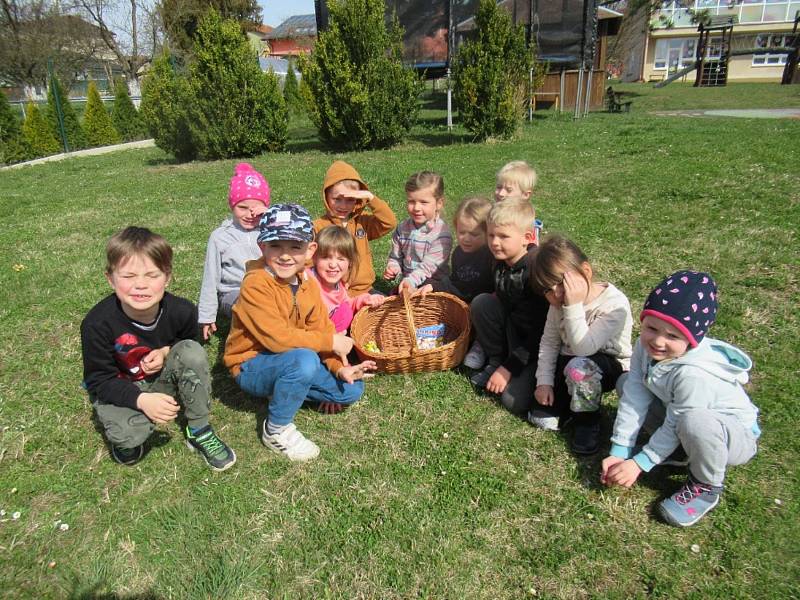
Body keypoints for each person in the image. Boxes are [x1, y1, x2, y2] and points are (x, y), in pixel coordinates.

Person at [601, 270, 760, 527]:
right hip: (683, 416)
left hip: (731, 436)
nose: (658, 341)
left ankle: (706, 485)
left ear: (692, 340)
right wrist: (620, 449)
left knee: (694, 422)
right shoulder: (645, 347)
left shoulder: (693, 375)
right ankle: (677, 451)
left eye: (673, 336)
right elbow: (634, 396)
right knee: (625, 383)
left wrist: (640, 463)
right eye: (651, 327)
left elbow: (678, 421)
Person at [224, 204, 377, 461]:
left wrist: (339, 368)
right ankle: (276, 429)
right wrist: (330, 341)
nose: (285, 255)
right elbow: (277, 338)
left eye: (295, 247)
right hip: (251, 364)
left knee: (351, 390)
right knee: (305, 360)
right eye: (276, 245)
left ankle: (285, 388)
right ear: (262, 247)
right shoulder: (256, 283)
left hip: (293, 356)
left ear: (310, 250)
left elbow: (321, 327)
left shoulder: (307, 284)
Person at [81, 226, 236, 470]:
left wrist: (166, 353)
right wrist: (142, 400)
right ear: (110, 279)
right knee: (128, 437)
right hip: (123, 388)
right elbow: (99, 380)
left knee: (192, 351)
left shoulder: (182, 310)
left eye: (152, 275)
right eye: (128, 276)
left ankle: (199, 429)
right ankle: (131, 430)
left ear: (167, 277)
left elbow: (190, 342)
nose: (140, 285)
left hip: (162, 379)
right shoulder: (96, 323)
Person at [530, 235, 633, 455]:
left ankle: (587, 422)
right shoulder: (557, 304)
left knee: (580, 368)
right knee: (539, 414)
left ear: (585, 271)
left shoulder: (615, 305)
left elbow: (584, 348)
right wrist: (544, 383)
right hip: (569, 361)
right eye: (547, 290)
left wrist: (573, 306)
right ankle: (568, 404)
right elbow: (549, 343)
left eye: (561, 283)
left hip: (606, 364)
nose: (556, 293)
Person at [468, 199, 549, 417]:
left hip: (538, 347)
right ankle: (494, 360)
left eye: (503, 236)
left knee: (513, 401)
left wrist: (509, 368)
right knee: (482, 303)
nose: (495, 242)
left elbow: (540, 334)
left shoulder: (535, 273)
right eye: (492, 235)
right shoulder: (500, 260)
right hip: (513, 331)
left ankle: (513, 370)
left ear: (528, 238)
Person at [198, 162, 270, 340]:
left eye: (256, 209)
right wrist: (207, 315)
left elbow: (292, 231)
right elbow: (210, 277)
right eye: (242, 208)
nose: (249, 214)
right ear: (232, 206)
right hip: (234, 292)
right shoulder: (220, 237)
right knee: (251, 305)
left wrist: (270, 216)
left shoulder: (269, 230)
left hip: (267, 287)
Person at [315, 160, 397, 296]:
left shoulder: (362, 222)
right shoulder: (319, 225)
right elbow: (308, 261)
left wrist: (371, 198)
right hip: (334, 293)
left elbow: (389, 222)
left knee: (391, 313)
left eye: (350, 199)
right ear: (326, 197)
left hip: (366, 290)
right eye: (337, 199)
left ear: (358, 200)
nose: (343, 205)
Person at [383, 171, 452, 293]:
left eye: (424, 202)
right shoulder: (402, 228)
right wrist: (393, 268)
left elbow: (427, 268)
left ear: (439, 203)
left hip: (433, 288)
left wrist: (410, 282)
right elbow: (396, 257)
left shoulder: (441, 235)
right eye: (411, 201)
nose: (416, 208)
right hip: (408, 284)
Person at [417, 195, 494, 304]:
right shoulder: (458, 253)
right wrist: (434, 285)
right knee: (424, 283)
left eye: (474, 234)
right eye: (462, 232)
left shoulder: (490, 255)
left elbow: (474, 287)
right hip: (461, 301)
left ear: (488, 233)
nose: (466, 239)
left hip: (481, 306)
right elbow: (455, 280)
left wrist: (439, 287)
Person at [311, 225, 386, 334]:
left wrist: (365, 299)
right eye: (326, 257)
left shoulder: (339, 287)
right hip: (310, 337)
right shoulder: (308, 280)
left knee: (346, 312)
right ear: (314, 257)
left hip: (332, 335)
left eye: (340, 259)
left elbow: (348, 303)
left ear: (350, 262)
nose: (332, 264)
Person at [494, 160, 543, 244]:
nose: (501, 193)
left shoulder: (526, 224)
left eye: (509, 190)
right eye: (499, 187)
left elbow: (532, 252)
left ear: (525, 195)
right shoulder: (491, 215)